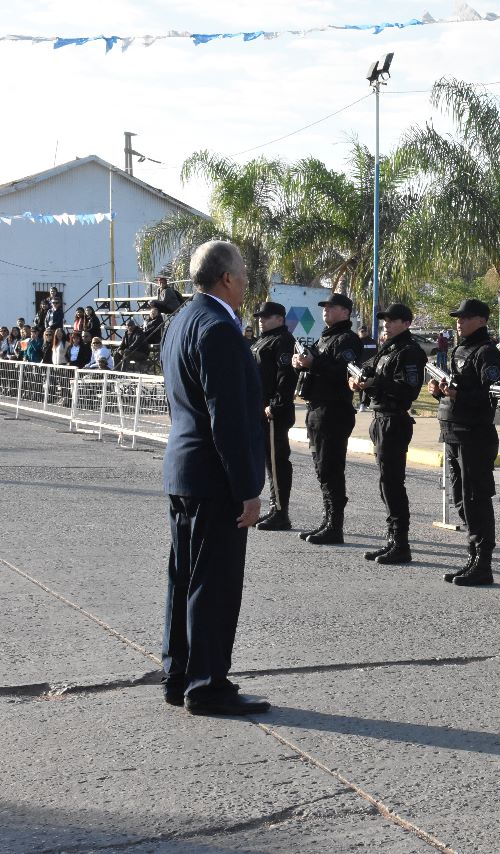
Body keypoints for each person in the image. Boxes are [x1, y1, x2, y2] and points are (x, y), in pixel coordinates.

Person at [158, 239, 268, 716]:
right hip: (214, 479)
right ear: (226, 278)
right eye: (242, 272)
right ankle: (206, 686)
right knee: (214, 583)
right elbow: (227, 418)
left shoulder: (182, 320)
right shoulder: (218, 327)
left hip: (185, 470)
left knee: (183, 577)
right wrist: (247, 489)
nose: (246, 279)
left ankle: (179, 673)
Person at [435, 298, 500, 585]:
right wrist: (440, 391)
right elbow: (459, 386)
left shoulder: (487, 353)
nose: (459, 322)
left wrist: (458, 395)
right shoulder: (459, 349)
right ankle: (472, 556)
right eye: (457, 318)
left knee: (476, 499)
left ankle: (483, 562)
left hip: (474, 435)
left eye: (465, 318)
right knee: (460, 498)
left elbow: (492, 395)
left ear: (480, 320)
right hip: (454, 431)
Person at [350, 302, 426, 564]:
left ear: (406, 323)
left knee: (393, 483)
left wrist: (376, 382)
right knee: (386, 483)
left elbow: (409, 390)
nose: (387, 324)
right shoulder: (387, 348)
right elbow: (368, 370)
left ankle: (401, 543)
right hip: (380, 417)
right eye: (385, 320)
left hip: (394, 420)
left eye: (393, 320)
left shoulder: (410, 351)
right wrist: (360, 380)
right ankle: (392, 539)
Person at [292, 292, 362, 545]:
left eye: (331, 307)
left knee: (331, 468)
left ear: (345, 312)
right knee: (322, 468)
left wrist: (314, 364)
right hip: (317, 407)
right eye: (324, 307)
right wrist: (301, 363)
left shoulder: (347, 340)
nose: (326, 311)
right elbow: (319, 366)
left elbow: (343, 372)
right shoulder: (326, 338)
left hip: (334, 409)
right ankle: (327, 520)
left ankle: (335, 525)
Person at [250, 302, 298, 532]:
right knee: (269, 462)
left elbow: (285, 376)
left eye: (267, 316)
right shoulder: (262, 340)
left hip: (273, 410)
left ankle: (281, 512)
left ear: (280, 319)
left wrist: (275, 405)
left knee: (277, 462)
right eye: (260, 316)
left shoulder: (282, 341)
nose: (261, 320)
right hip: (259, 407)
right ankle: (274, 507)